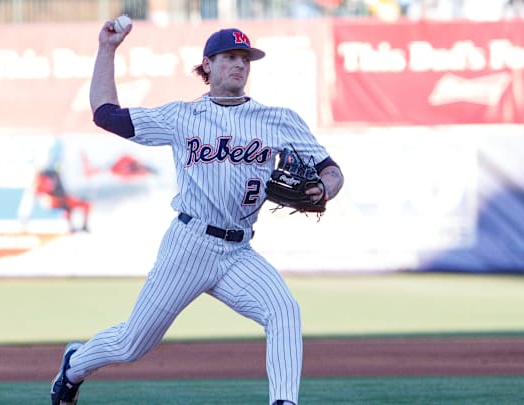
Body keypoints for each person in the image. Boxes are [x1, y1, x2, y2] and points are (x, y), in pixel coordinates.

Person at [50, 20, 344, 405]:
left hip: (239, 251)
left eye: (245, 58)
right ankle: (75, 365)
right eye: (229, 57)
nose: (239, 64)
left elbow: (331, 170)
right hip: (189, 246)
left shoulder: (279, 119)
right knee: (131, 344)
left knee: (284, 311)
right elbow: (106, 114)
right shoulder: (182, 117)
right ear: (207, 65)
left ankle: (283, 402)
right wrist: (107, 50)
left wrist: (325, 188)